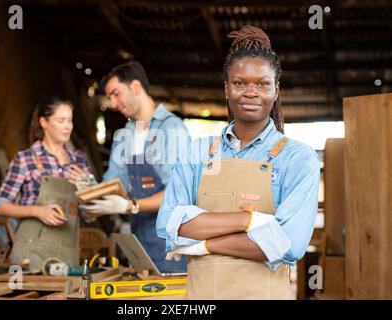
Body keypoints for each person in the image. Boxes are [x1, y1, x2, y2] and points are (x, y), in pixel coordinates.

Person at [157, 26, 321, 299]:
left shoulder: (297, 158)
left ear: (276, 90)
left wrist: (206, 244)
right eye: (240, 83)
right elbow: (168, 226)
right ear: (226, 88)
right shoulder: (196, 153)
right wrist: (250, 220)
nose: (251, 92)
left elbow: (288, 244)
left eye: (263, 83)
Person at [85, 61, 189, 273]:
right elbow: (113, 182)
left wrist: (129, 206)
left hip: (171, 247)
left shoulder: (171, 129)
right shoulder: (125, 134)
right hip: (140, 244)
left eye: (116, 94)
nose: (113, 104)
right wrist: (91, 197)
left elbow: (177, 195)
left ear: (135, 86)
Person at [0, 96, 94, 271]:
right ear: (44, 122)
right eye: (61, 120)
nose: (68, 126)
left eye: (70, 120)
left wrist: (89, 188)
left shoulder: (79, 161)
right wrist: (36, 211)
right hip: (31, 253)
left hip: (68, 253)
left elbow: (90, 216)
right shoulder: (25, 159)